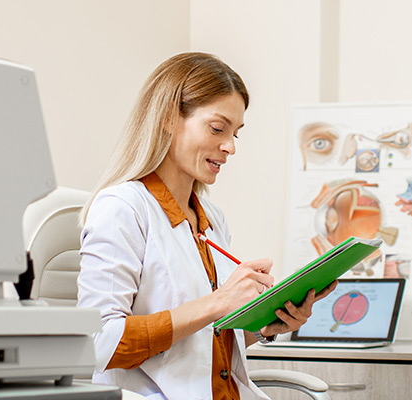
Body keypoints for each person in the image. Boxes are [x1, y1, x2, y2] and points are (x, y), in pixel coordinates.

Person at [77, 52, 335, 400]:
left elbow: (204, 341)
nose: (229, 147)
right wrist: (218, 302)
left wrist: (266, 325)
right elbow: (101, 343)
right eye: (217, 128)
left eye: (235, 134)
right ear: (168, 118)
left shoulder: (212, 219)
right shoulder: (122, 208)